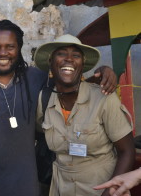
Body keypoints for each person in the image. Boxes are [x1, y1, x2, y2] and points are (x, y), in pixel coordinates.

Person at [0, 20, 117, 196]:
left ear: (19, 49)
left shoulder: (37, 78)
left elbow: (73, 88)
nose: (3, 53)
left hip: (26, 189)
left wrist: (104, 73)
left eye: (10, 47)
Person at [34, 34, 135, 196]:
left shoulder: (103, 98)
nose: (69, 59)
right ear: (50, 63)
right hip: (60, 188)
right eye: (61, 54)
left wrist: (111, 190)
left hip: (102, 188)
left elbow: (127, 151)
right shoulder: (44, 100)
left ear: (82, 66)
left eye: (75, 55)